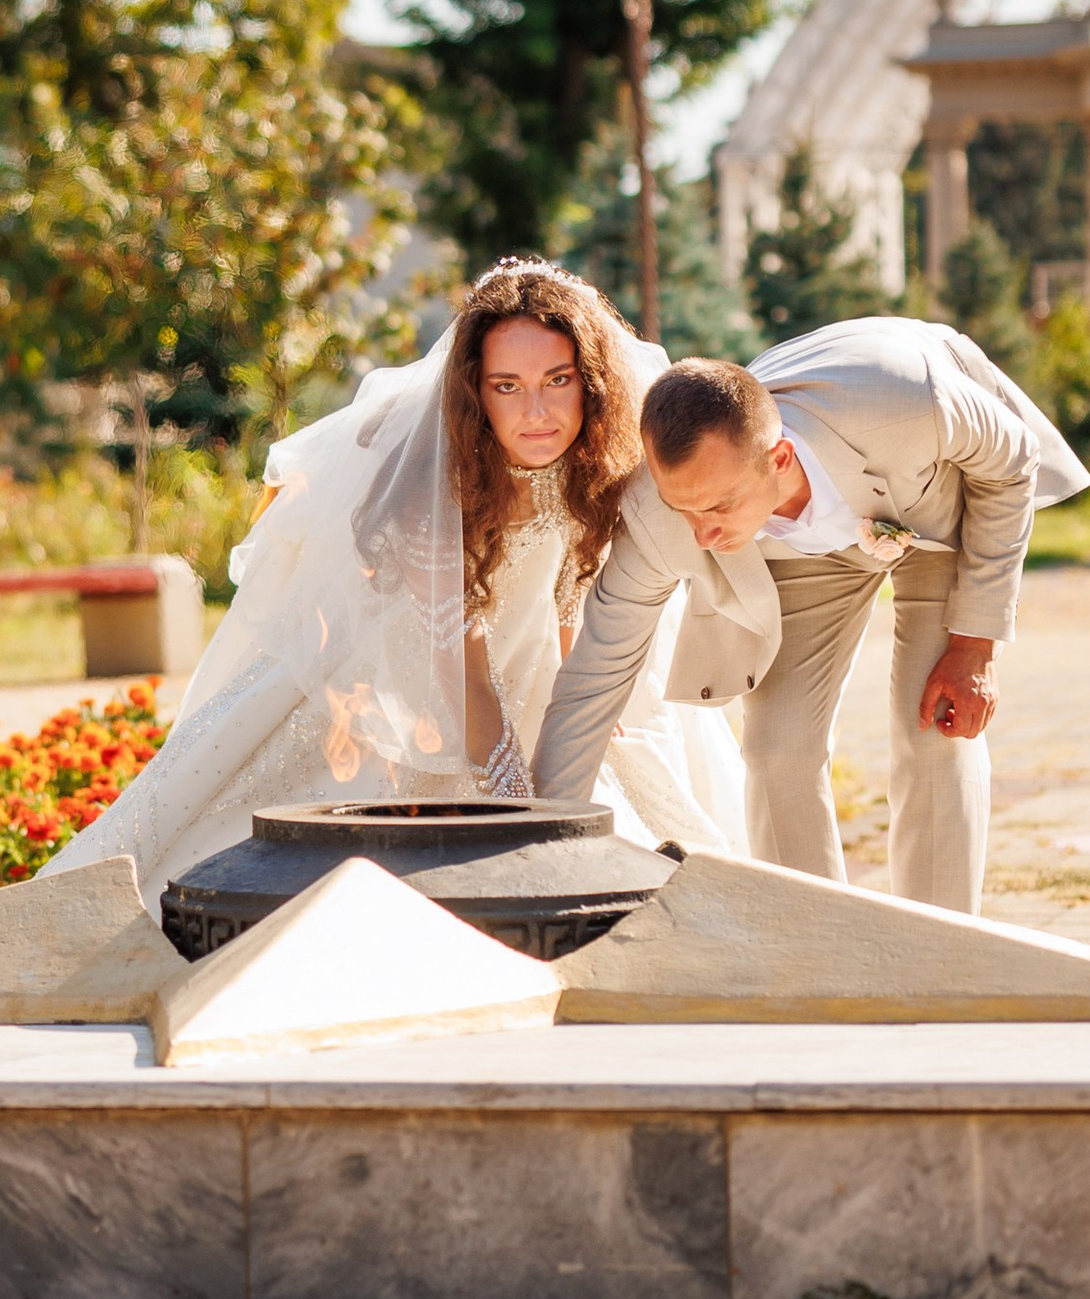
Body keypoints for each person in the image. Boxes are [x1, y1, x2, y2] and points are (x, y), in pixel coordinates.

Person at [48, 258, 748, 903]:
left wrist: (580, 706)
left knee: (635, 799)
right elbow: (464, 678)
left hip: (528, 667)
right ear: (475, 393)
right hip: (410, 683)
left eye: (557, 381)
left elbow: (574, 598)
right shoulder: (430, 489)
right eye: (507, 387)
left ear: (589, 382)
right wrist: (521, 806)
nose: (537, 412)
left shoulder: (597, 464)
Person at [530, 315, 1088, 918]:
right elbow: (596, 674)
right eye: (684, 508)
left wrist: (974, 647)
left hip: (933, 507)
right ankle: (814, 940)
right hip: (796, 555)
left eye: (719, 505)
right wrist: (541, 846)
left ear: (779, 458)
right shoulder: (657, 516)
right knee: (777, 749)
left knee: (934, 727)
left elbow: (1012, 461)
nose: (703, 535)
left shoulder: (906, 400)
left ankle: (942, 943)